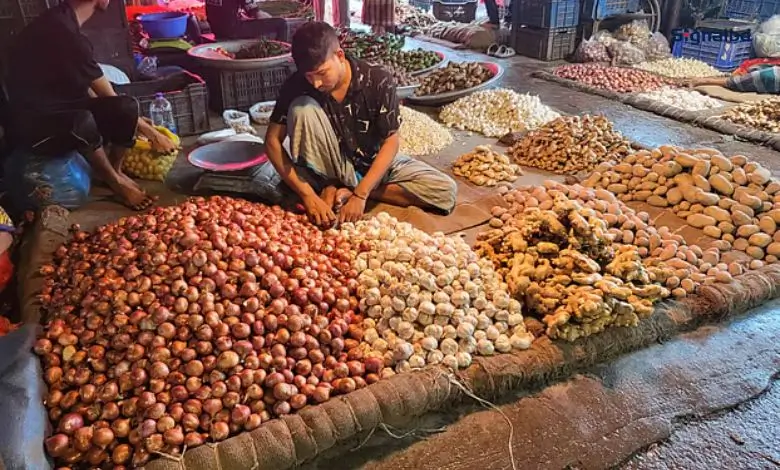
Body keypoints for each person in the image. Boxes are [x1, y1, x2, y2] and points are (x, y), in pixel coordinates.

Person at [264, 21, 457, 227]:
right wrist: (307, 195)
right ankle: (330, 184)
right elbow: (272, 141)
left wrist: (361, 194)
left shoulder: (377, 80)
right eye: (309, 76)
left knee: (444, 191)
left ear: (340, 55)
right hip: (326, 166)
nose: (316, 83)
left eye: (322, 73)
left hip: (371, 162)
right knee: (302, 107)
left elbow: (391, 142)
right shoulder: (296, 85)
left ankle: (348, 190)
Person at [5, 0, 177, 210]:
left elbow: (94, 89)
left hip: (58, 106)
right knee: (83, 121)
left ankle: (115, 170)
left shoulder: (63, 21)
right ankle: (115, 183)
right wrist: (152, 134)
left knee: (126, 107)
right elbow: (106, 93)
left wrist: (133, 120)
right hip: (31, 123)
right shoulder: (61, 31)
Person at [204, 0, 287, 40]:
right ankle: (283, 56)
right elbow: (256, 13)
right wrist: (268, 19)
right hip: (232, 30)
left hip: (217, 31)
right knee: (281, 23)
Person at [681, 67, 780, 94]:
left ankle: (702, 80)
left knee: (739, 81)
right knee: (736, 83)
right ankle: (701, 81)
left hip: (773, 75)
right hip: (773, 77)